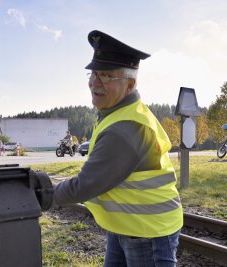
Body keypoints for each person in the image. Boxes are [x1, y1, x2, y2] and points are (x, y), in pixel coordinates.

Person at [53, 30, 183, 267]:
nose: (94, 82)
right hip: (126, 224)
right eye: (92, 73)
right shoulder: (117, 112)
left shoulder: (125, 128)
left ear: (130, 84)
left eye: (106, 76)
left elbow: (85, 185)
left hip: (147, 231)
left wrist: (43, 194)